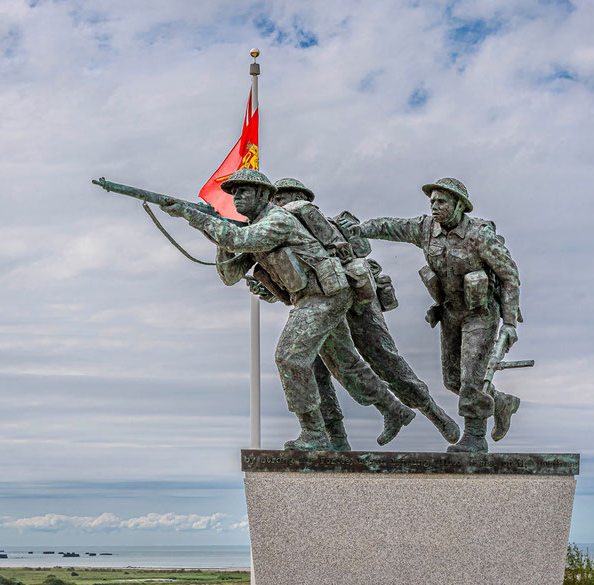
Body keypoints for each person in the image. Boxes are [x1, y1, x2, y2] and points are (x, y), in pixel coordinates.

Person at [159, 168, 415, 451]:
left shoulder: (277, 219)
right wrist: (216, 228)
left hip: (324, 296)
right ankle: (395, 410)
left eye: (243, 191)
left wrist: (192, 216)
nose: (236, 197)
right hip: (312, 298)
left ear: (263, 195)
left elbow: (240, 241)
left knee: (289, 357)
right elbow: (229, 275)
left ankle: (314, 434)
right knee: (346, 366)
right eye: (233, 193)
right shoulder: (253, 228)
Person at [251, 178, 460, 449]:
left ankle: (434, 413)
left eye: (281, 198)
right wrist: (265, 287)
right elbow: (291, 284)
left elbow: (344, 262)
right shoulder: (277, 234)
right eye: (274, 200)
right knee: (314, 369)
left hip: (358, 303)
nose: (276, 204)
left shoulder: (321, 224)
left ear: (300, 197)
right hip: (323, 308)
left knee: (385, 359)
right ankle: (336, 439)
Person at [340, 177, 521, 453]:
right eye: (432, 201)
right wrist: (362, 230)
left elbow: (509, 276)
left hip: (480, 313)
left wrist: (508, 323)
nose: (435, 206)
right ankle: (500, 403)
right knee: (453, 380)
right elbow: (393, 227)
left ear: (460, 205)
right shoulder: (426, 228)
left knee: (472, 376)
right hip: (450, 311)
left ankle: (475, 437)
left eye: (442, 201)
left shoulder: (479, 235)